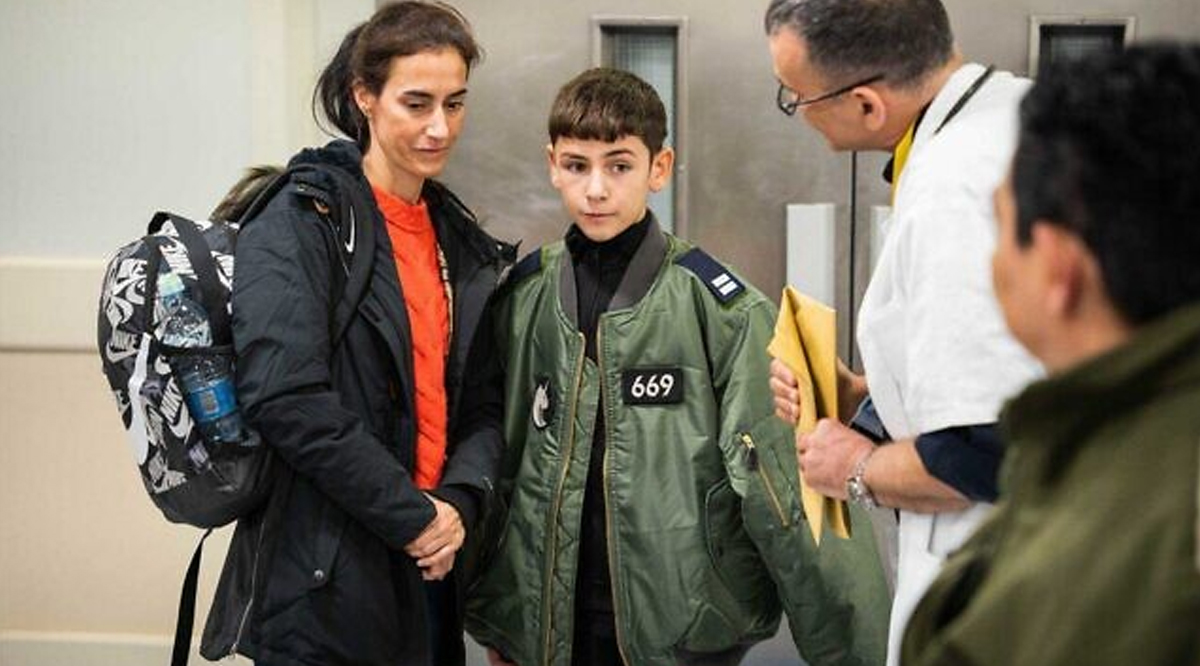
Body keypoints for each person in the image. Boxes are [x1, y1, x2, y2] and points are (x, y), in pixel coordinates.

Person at [465, 67, 889, 666]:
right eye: (577, 165)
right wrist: (500, 620)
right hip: (545, 632)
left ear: (658, 169)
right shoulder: (522, 300)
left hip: (684, 635)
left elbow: (786, 492)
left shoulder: (725, 312)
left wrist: (855, 652)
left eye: (619, 165)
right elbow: (497, 460)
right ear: (552, 164)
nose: (596, 189)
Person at [199, 3, 514, 665]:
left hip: (432, 567)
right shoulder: (300, 218)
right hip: (327, 579)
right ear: (364, 96)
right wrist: (415, 516)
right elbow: (287, 397)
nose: (439, 127)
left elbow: (482, 403)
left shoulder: (460, 239)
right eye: (417, 103)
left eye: (455, 104)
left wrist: (456, 504)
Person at [902, 43, 1200, 666]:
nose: (991, 264)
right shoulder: (1110, 445)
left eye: (1001, 227)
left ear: (1060, 267)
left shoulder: (1092, 567)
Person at [763, 1, 1043, 662]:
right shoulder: (1016, 114)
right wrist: (867, 398)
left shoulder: (955, 189)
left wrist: (855, 466)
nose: (797, 110)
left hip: (998, 597)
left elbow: (989, 448)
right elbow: (1013, 373)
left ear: (865, 105)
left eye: (794, 96)